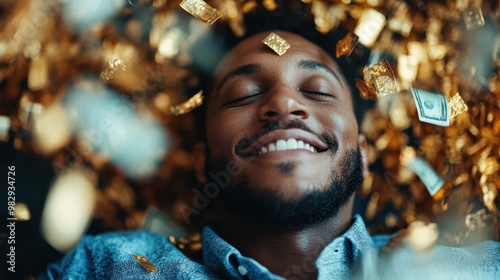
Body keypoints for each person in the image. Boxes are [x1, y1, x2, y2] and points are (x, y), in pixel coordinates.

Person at [40, 11, 500, 280]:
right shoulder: (103, 265)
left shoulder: (479, 267)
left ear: (361, 154)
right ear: (203, 162)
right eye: (242, 95)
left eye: (317, 90)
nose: (282, 103)